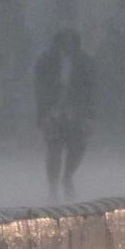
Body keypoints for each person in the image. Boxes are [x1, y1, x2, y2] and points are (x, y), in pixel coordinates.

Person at [35, 29, 95, 202]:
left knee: (77, 147)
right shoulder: (46, 61)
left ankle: (67, 177)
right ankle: (53, 187)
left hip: (77, 112)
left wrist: (90, 115)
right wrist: (44, 113)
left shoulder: (85, 61)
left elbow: (91, 90)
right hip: (53, 111)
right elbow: (40, 89)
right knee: (54, 149)